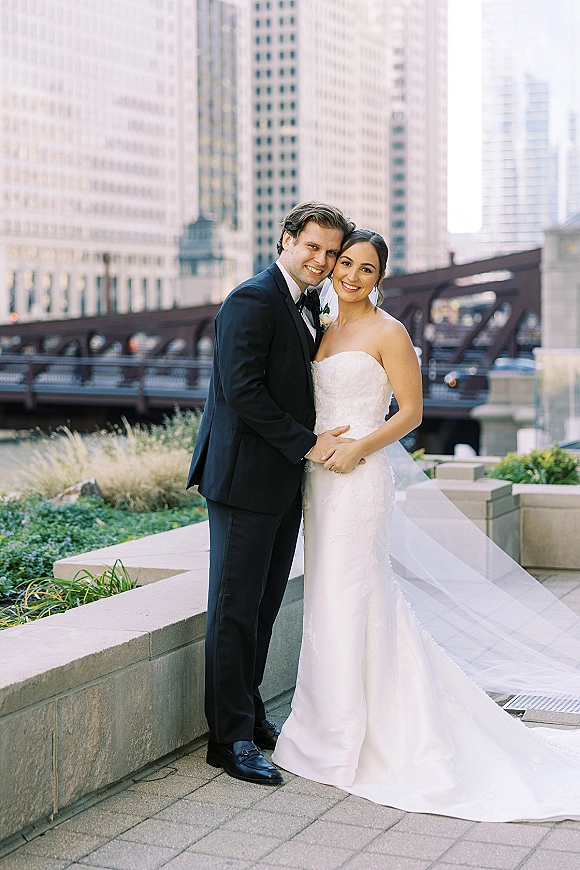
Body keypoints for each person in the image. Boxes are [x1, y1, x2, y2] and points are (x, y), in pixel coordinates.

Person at [272, 229, 580, 822]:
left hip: (359, 481)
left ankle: (358, 734)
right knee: (328, 601)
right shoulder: (322, 329)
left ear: (381, 276)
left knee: (353, 596)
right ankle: (326, 723)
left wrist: (361, 448)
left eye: (366, 268)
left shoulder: (391, 333)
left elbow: (411, 414)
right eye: (345, 264)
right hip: (320, 481)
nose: (352, 276)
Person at [187, 201, 355, 786]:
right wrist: (309, 444)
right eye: (313, 247)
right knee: (234, 611)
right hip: (242, 480)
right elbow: (242, 391)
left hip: (283, 482)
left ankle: (251, 715)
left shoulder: (311, 305)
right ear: (286, 240)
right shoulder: (251, 299)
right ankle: (227, 740)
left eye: (332, 253)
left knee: (261, 609)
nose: (322, 260)